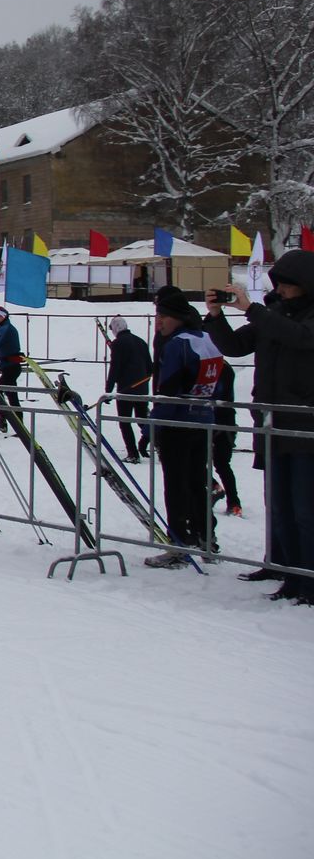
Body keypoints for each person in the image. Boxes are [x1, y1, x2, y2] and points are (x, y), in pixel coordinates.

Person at [203, 252, 314, 603]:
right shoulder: (274, 313)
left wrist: (252, 309)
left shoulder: (298, 319)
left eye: (288, 285)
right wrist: (217, 316)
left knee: (304, 507)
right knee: (277, 502)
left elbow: (298, 337)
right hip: (271, 424)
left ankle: (307, 575)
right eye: (278, 284)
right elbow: (236, 346)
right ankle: (282, 565)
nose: (281, 290)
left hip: (304, 428)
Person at [143, 292, 224, 568]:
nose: (159, 323)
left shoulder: (177, 345)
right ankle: (205, 537)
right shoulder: (205, 339)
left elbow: (169, 389)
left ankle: (178, 543)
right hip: (202, 421)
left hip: (178, 423)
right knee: (197, 481)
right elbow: (221, 383)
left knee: (176, 485)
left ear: (176, 318)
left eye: (162, 317)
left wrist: (153, 425)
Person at [104, 315, 153, 462]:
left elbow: (115, 368)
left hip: (125, 390)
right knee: (142, 419)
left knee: (124, 422)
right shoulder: (140, 341)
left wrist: (108, 389)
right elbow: (150, 367)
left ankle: (132, 454)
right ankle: (159, 443)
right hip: (142, 388)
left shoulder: (118, 344)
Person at [209, 361, 242, 518]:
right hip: (220, 419)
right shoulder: (222, 366)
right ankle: (222, 493)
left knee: (220, 463)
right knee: (220, 464)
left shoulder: (219, 367)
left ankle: (233, 501)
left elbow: (219, 393)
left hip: (219, 420)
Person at [0, 306, 25, 431]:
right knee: (11, 396)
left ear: (4, 317)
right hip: (10, 366)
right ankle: (12, 424)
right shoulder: (5, 327)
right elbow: (7, 349)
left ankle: (8, 423)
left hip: (11, 368)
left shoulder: (4, 329)